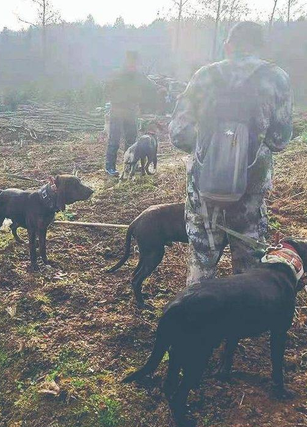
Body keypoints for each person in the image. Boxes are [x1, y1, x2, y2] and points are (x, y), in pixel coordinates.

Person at [169, 21, 293, 286]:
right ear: (260, 48)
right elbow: (280, 140)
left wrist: (212, 151)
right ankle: (245, 323)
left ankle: (195, 318)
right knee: (249, 269)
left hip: (203, 191)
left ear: (228, 46)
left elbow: (178, 133)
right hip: (250, 192)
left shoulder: (204, 76)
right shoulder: (276, 78)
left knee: (201, 265)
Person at [104, 50, 150, 176]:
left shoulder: (138, 75)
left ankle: (128, 166)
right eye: (132, 61)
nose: (134, 64)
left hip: (130, 111)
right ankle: (110, 167)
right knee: (114, 140)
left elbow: (148, 85)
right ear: (127, 60)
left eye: (135, 61)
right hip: (117, 111)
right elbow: (108, 89)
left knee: (131, 140)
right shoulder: (118, 74)